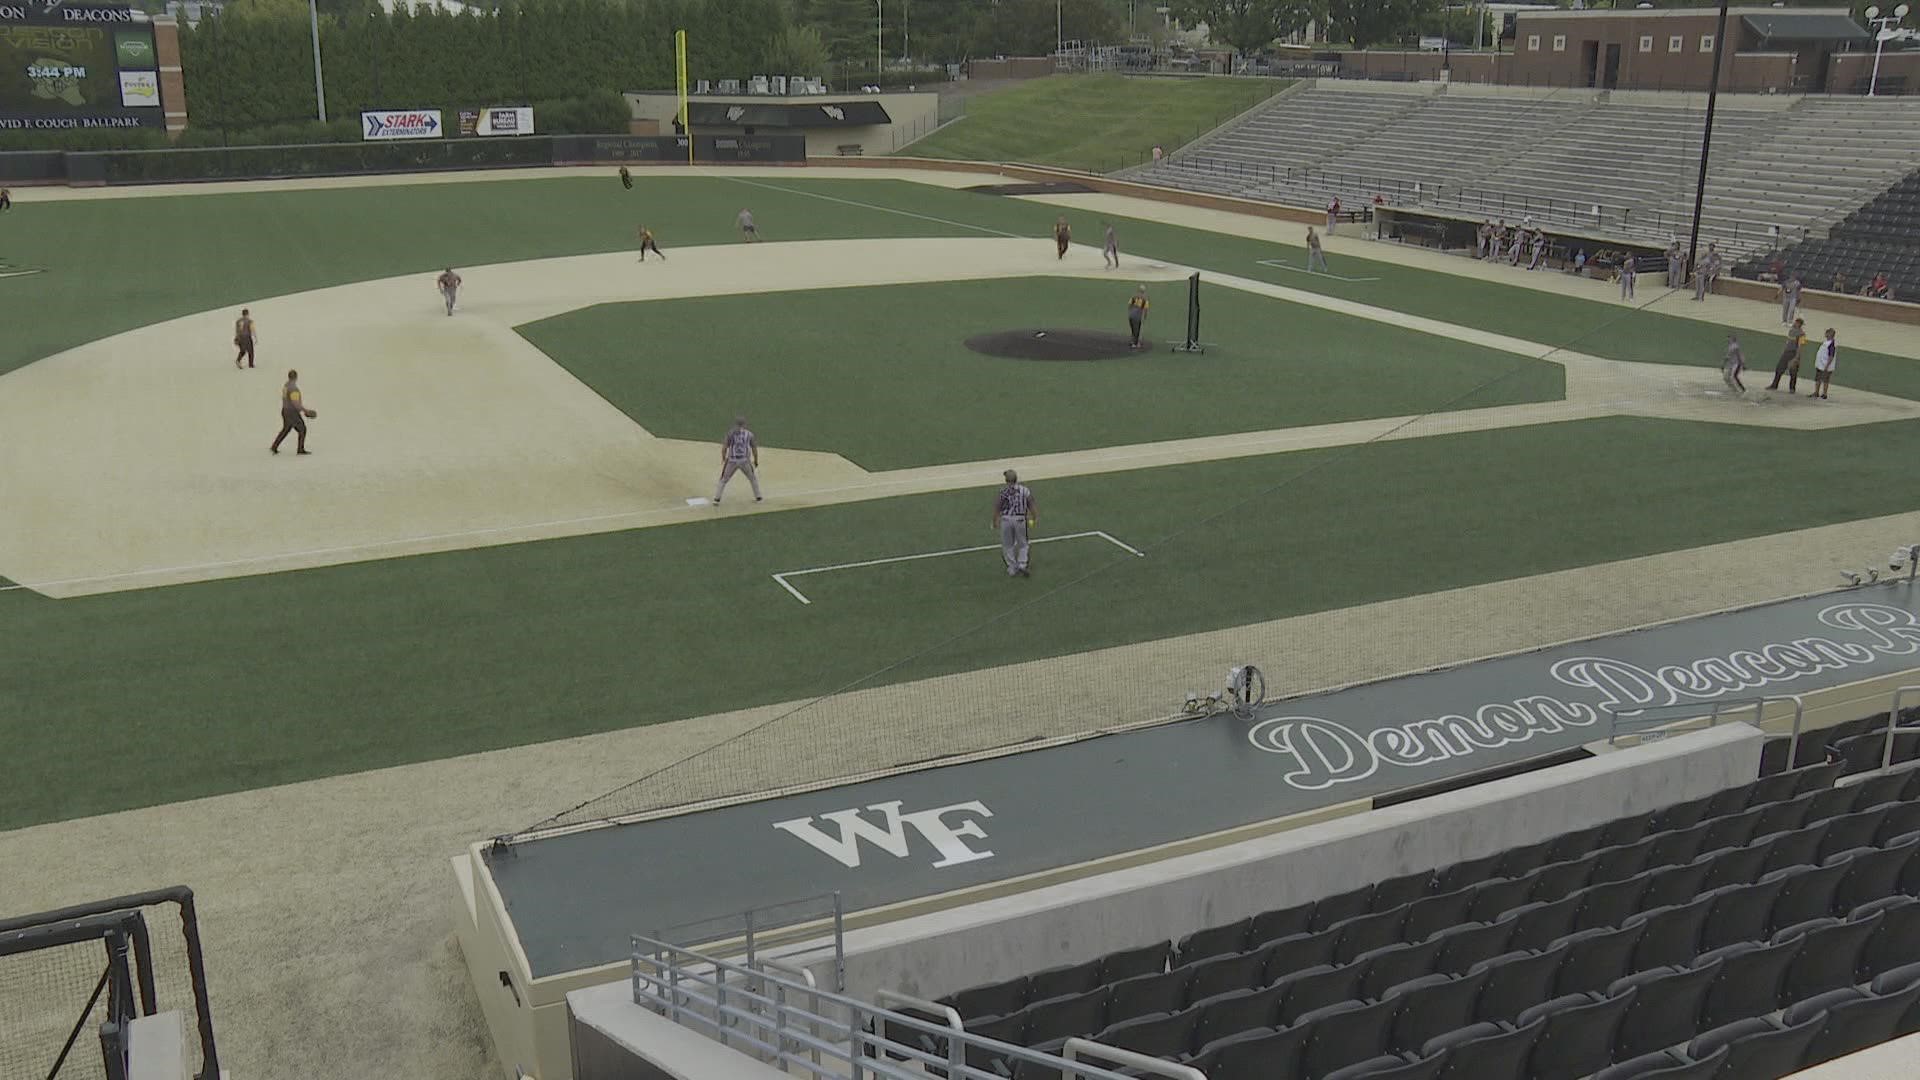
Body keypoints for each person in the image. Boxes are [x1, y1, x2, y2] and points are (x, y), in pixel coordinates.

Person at [994, 468, 1035, 578]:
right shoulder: (1024, 490)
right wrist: (1033, 516)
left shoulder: (1003, 492)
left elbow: (998, 506)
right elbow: (1030, 503)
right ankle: (1022, 564)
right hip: (1020, 519)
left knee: (1008, 544)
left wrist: (995, 520)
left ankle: (1012, 568)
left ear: (1006, 480)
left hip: (1006, 520)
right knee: (1023, 543)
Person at [713, 416, 761, 504]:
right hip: (745, 461)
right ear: (744, 424)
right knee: (752, 478)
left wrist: (723, 458)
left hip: (732, 461)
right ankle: (758, 497)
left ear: (736, 424)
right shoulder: (749, 434)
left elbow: (724, 448)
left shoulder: (730, 434)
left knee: (723, 479)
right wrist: (756, 460)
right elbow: (754, 448)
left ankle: (717, 499)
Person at [270, 369, 315, 455]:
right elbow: (296, 403)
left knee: (286, 429)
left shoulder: (286, 386)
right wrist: (305, 411)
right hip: (292, 412)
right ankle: (300, 449)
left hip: (285, 410)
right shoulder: (294, 389)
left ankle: (274, 446)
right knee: (302, 429)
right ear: (296, 377)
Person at [1768, 318, 1808, 393]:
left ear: (1799, 324)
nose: (1794, 323)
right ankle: (1774, 385)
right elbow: (1788, 342)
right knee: (1779, 368)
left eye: (1796, 323)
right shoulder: (1791, 331)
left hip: (1793, 353)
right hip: (1786, 352)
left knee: (1793, 371)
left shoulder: (1802, 334)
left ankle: (1792, 388)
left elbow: (1800, 347)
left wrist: (1796, 358)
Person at [1810, 328, 1837, 400]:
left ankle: (1823, 393)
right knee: (1819, 379)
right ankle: (1817, 392)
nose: (1825, 334)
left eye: (1827, 333)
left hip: (1825, 366)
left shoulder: (1831, 345)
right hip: (1821, 364)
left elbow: (1831, 356)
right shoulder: (1826, 342)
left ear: (1830, 334)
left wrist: (1827, 366)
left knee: (1824, 380)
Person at [1126, 284, 1149, 349]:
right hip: (1137, 315)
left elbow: (1129, 305)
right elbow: (1146, 309)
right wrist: (1145, 317)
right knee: (1137, 330)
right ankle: (1135, 343)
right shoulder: (1145, 299)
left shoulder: (1134, 297)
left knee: (1133, 329)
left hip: (1131, 315)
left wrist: (1130, 312)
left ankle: (1133, 341)